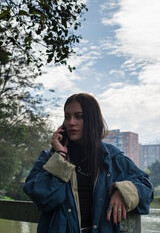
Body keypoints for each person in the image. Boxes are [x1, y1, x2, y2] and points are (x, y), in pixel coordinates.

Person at [23, 93, 153, 233]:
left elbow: (146, 187)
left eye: (79, 116)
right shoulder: (49, 157)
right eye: (67, 116)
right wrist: (60, 157)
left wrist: (122, 192)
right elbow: (42, 198)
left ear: (92, 120)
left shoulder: (111, 156)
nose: (71, 122)